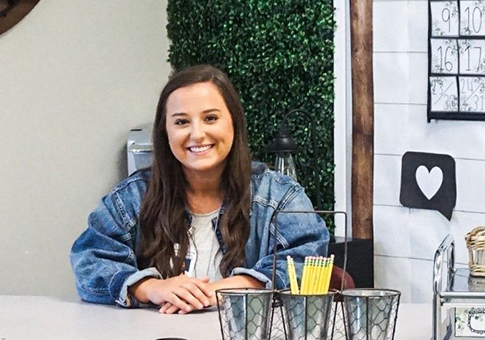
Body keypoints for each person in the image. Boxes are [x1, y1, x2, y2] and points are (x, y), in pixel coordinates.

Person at [71, 64, 329, 313]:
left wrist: (223, 291)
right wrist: (149, 288)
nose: (197, 134)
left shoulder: (280, 196)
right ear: (165, 132)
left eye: (211, 118)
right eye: (182, 122)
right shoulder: (131, 198)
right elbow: (89, 261)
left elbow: (309, 261)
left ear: (234, 122)